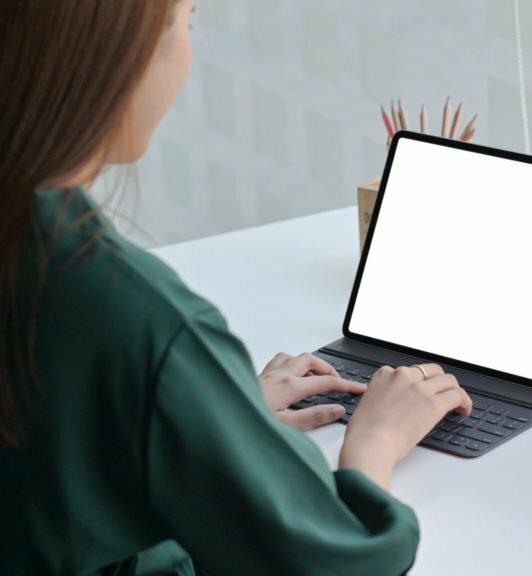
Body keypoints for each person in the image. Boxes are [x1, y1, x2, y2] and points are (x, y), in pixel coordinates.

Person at [0, 2, 472, 574]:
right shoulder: (141, 320)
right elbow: (347, 564)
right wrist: (374, 442)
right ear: (118, 52)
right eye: (187, 22)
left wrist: (206, 422)